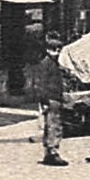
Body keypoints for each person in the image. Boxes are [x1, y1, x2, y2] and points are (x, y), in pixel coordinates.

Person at [32, 32, 68, 166]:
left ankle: (49, 152)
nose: (57, 52)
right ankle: (53, 151)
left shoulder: (54, 63)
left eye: (59, 50)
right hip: (51, 99)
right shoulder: (46, 64)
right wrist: (44, 101)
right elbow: (41, 84)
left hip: (55, 98)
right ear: (48, 50)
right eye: (54, 50)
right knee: (54, 126)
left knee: (51, 125)